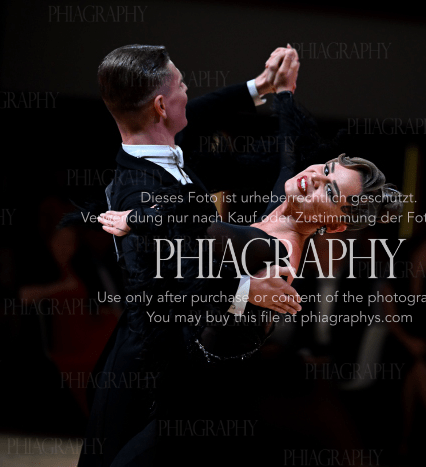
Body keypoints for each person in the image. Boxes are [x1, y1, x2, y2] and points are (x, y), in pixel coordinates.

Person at [73, 44, 302, 467]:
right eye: (181, 85)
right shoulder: (136, 194)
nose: (188, 92)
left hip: (183, 359)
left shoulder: (160, 143)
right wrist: (245, 289)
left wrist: (262, 86)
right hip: (144, 368)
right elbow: (164, 282)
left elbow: (201, 110)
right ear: (161, 107)